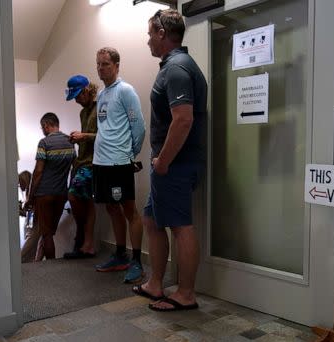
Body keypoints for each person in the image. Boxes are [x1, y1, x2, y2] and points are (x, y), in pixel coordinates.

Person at [132, 9, 207, 312]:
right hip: (167, 164)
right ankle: (155, 283)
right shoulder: (174, 66)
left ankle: (186, 294)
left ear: (162, 33)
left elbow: (184, 120)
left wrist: (163, 161)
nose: (148, 39)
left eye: (150, 33)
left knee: (180, 226)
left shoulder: (176, 69)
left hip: (174, 164)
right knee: (151, 219)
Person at [93, 47, 146, 283]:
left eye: (105, 64)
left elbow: (139, 127)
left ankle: (136, 260)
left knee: (129, 210)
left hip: (119, 162)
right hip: (101, 162)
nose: (100, 68)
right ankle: (120, 255)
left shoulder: (125, 91)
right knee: (112, 208)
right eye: (98, 64)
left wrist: (130, 153)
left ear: (116, 65)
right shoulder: (102, 95)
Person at [25, 112, 76, 261]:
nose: (42, 130)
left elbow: (39, 171)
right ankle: (39, 260)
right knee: (50, 232)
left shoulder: (44, 143)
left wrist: (31, 196)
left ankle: (51, 266)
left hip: (44, 194)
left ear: (46, 125)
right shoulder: (70, 141)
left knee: (46, 234)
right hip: (61, 194)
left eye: (42, 127)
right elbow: (75, 167)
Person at [63, 75, 98, 259]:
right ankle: (88, 245)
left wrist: (84, 136)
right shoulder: (83, 112)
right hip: (82, 161)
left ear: (86, 91)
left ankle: (82, 235)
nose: (76, 100)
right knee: (88, 202)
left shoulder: (101, 107)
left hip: (94, 162)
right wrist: (78, 138)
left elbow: (105, 136)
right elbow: (87, 135)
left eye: (78, 96)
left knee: (74, 195)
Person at [19, 171, 40, 263]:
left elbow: (34, 211)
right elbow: (29, 213)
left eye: (20, 182)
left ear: (25, 180)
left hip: (35, 224)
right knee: (30, 252)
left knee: (26, 250)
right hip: (29, 224)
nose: (19, 185)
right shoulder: (28, 193)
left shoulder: (34, 193)